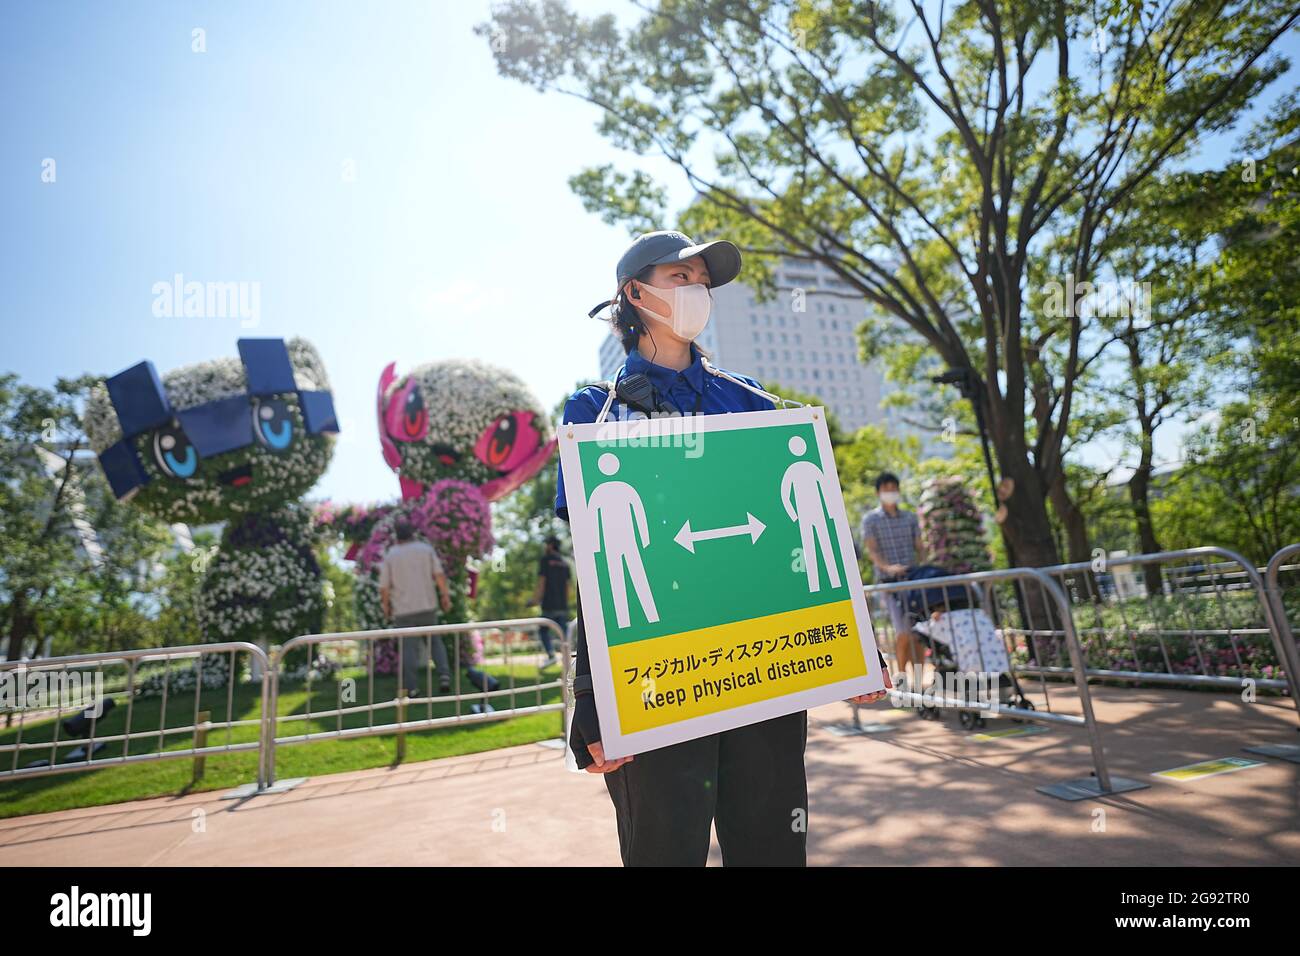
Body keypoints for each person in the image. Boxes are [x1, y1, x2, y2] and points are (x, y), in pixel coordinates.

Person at [556, 229, 890, 867]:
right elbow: (595, 568)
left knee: (773, 849)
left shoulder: (752, 401)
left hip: (757, 669)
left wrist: (856, 642)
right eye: (679, 278)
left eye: (702, 281)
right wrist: (593, 699)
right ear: (634, 294)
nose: (697, 291)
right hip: (653, 677)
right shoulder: (594, 412)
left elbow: (807, 537)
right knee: (663, 852)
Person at [861, 472, 927, 690]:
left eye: (893, 488)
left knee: (919, 634)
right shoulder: (871, 519)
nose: (890, 492)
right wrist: (888, 568)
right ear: (879, 492)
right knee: (902, 632)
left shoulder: (909, 517)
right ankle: (901, 677)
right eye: (886, 488)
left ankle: (918, 681)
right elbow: (872, 550)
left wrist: (925, 567)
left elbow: (920, 546)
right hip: (889, 584)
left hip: (913, 581)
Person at [379, 520, 453, 693]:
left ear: (397, 535)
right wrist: (445, 597)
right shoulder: (425, 549)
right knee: (435, 642)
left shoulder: (391, 555)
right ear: (413, 532)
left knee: (408, 649)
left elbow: (384, 587)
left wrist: (386, 607)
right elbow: (439, 575)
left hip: (403, 609)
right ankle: (444, 675)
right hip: (427, 604)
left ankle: (412, 687)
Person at [532, 535, 571, 667]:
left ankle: (551, 655)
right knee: (564, 634)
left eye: (546, 544)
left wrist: (535, 600)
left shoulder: (545, 560)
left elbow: (542, 582)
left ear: (550, 545)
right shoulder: (565, 563)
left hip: (549, 604)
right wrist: (565, 602)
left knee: (543, 630)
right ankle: (568, 659)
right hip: (562, 605)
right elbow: (567, 586)